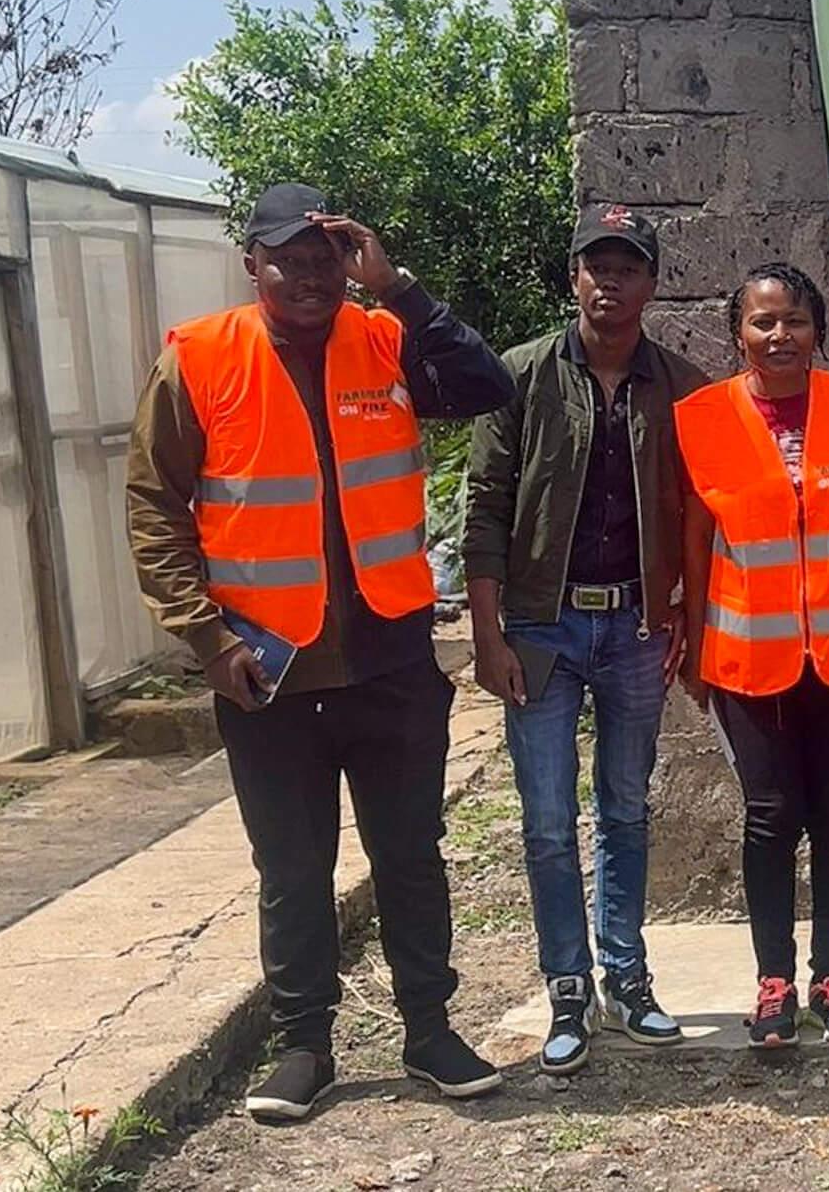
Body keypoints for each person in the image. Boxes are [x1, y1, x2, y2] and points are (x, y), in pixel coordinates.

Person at [126, 183, 515, 1120]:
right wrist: (207, 640)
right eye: (286, 259)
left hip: (391, 658)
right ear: (251, 263)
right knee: (292, 866)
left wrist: (404, 290)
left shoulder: (384, 338)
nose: (307, 275)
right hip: (269, 669)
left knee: (411, 854)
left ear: (349, 262)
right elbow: (154, 507)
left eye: (325, 258)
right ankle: (305, 1047)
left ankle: (429, 1031)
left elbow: (486, 387)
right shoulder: (199, 360)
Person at [464, 204, 704, 1074]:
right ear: (573, 277)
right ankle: (569, 986)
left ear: (651, 282)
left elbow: (699, 511)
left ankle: (628, 978)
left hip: (638, 625)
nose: (610, 281)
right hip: (538, 626)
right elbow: (483, 508)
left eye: (628, 266)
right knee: (546, 819)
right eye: (595, 265)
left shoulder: (681, 384)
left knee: (627, 807)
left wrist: (688, 613)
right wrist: (485, 635)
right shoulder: (517, 376)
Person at [674, 264, 829, 1049]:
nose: (779, 335)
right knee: (770, 815)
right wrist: (695, 645)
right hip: (744, 655)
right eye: (763, 322)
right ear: (739, 335)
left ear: (818, 330)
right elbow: (697, 539)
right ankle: (773, 980)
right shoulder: (699, 417)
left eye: (794, 320)